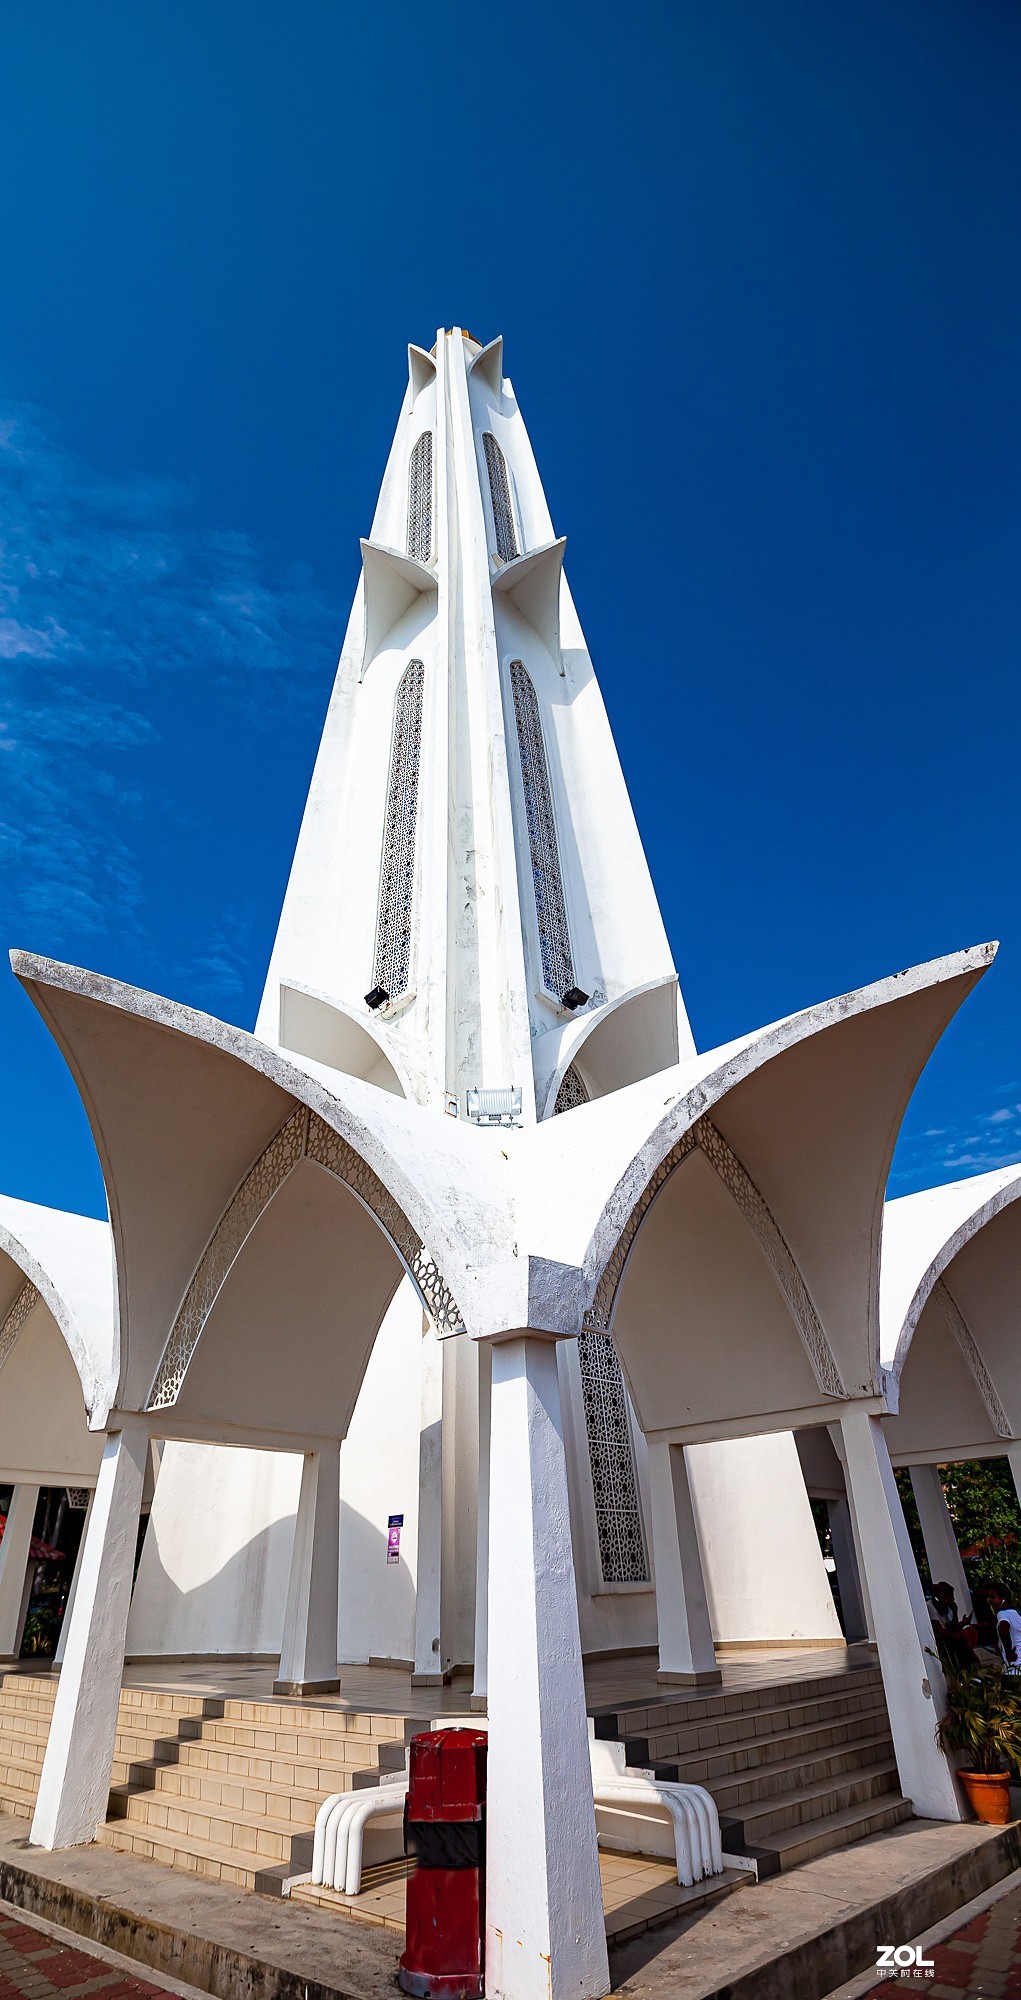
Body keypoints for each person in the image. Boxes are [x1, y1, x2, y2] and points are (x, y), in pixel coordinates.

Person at [927, 1581, 977, 1667]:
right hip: (940, 1640)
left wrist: (955, 1613)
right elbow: (940, 1631)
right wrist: (955, 1635)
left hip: (950, 1637)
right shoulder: (930, 1606)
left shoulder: (948, 1606)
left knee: (967, 1634)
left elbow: (953, 1626)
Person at [984, 1582, 1021, 1674]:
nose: (989, 1600)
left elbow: (1004, 1628)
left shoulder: (1002, 1614)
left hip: (1013, 1666)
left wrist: (1008, 1652)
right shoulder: (1016, 1614)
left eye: (992, 1597)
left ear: (1003, 1598)